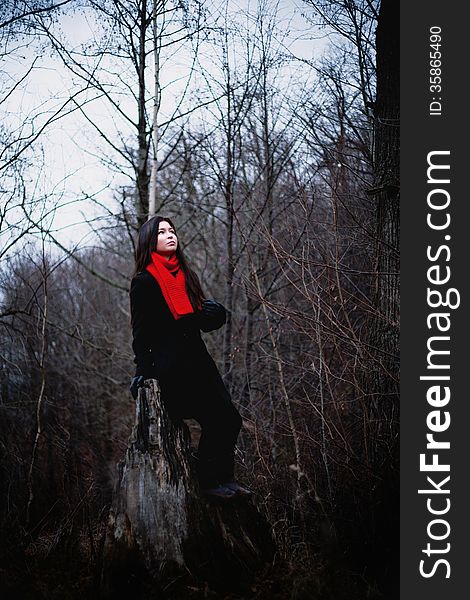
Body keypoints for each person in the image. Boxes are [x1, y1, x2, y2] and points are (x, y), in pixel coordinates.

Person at [129, 215, 250, 500]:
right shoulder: (144, 282)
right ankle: (208, 484)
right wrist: (142, 372)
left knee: (230, 420)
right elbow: (140, 334)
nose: (170, 235)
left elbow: (200, 320)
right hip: (170, 369)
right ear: (150, 241)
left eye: (172, 230)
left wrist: (217, 313)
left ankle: (225, 478)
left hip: (199, 362)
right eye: (162, 232)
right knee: (214, 419)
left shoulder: (185, 275)